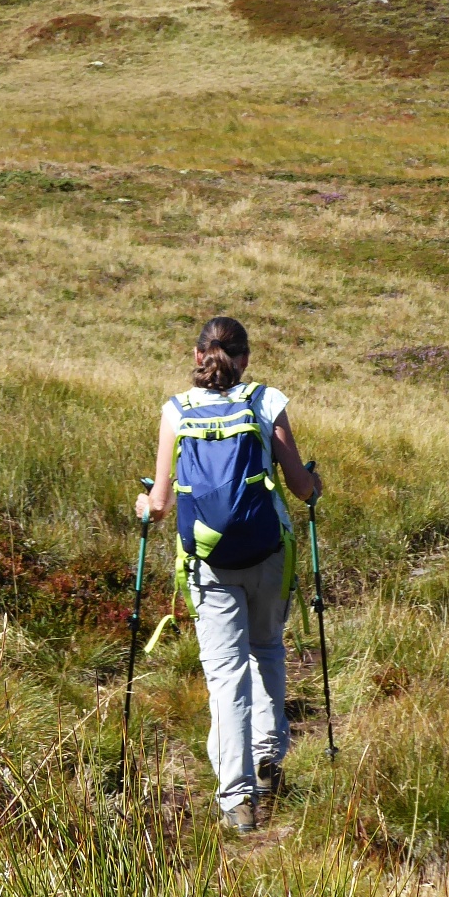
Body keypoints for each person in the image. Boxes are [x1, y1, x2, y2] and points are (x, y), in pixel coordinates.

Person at [136, 316, 321, 833]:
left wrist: (143, 506)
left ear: (198, 357)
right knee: (267, 650)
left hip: (208, 561)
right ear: (245, 360)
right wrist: (316, 484)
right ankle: (269, 760)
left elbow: (162, 503)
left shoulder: (176, 411)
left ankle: (236, 800)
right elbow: (300, 486)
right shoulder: (265, 402)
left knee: (225, 676)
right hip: (267, 552)